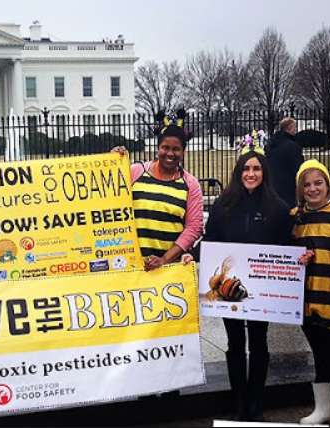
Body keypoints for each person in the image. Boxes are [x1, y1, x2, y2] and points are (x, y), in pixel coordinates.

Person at [200, 144, 292, 421]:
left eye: (256, 168)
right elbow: (211, 240)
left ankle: (256, 402)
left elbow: (286, 246)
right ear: (238, 172)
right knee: (235, 343)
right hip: (229, 289)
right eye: (246, 168)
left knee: (259, 343)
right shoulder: (223, 204)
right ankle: (239, 400)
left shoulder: (278, 208)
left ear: (264, 173)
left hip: (262, 291)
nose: (251, 173)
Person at [113, 109, 204, 270]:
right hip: (131, 266)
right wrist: (113, 162)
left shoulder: (191, 185)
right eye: (165, 147)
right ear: (158, 148)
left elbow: (193, 228)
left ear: (184, 152)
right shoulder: (136, 172)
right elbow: (110, 193)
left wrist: (164, 259)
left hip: (169, 268)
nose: (170, 153)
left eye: (176, 149)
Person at [292, 160, 330, 426]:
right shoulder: (295, 218)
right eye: (307, 184)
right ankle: (324, 410)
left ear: (328, 184)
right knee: (322, 358)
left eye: (318, 183)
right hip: (308, 305)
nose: (313, 189)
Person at [266, 117, 304, 208]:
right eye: (295, 127)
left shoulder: (271, 144)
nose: (296, 130)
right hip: (288, 185)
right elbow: (298, 168)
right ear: (289, 128)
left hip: (273, 183)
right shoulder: (292, 146)